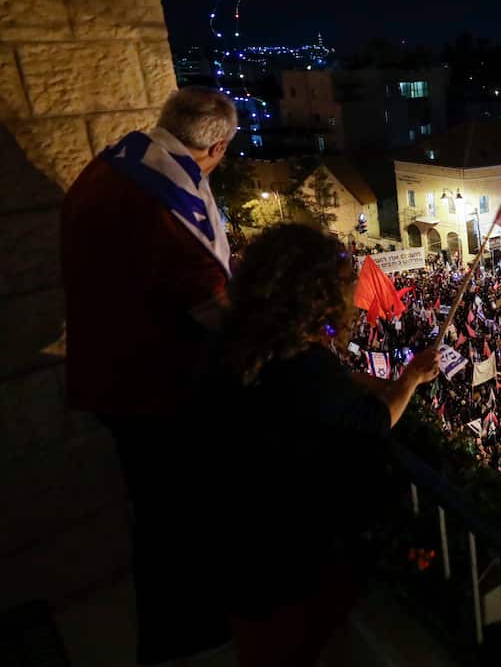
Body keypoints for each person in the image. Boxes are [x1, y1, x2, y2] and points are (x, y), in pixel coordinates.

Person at [61, 86, 237, 664]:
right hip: (154, 386)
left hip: (110, 363)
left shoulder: (119, 164)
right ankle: (188, 640)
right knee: (177, 524)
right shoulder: (165, 210)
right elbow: (218, 316)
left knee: (158, 513)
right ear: (214, 148)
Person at [214, 224, 439, 666]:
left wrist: (361, 381)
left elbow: (322, 382)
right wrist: (410, 379)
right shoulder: (304, 365)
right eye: (344, 287)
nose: (352, 298)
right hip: (285, 557)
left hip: (239, 535)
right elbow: (374, 422)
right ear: (315, 295)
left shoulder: (249, 338)